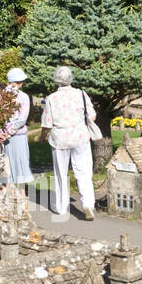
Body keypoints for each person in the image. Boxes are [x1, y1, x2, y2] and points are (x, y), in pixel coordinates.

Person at [40, 65, 96, 219]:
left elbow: (47, 123)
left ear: (56, 80)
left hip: (60, 138)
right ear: (71, 78)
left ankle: (61, 207)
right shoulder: (81, 94)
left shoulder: (51, 98)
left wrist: (42, 137)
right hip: (80, 137)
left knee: (60, 174)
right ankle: (88, 204)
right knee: (84, 172)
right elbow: (92, 116)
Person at [0, 68, 34, 186]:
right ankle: (21, 192)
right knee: (20, 164)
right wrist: (9, 133)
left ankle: (4, 190)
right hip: (18, 135)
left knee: (3, 163)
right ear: (19, 82)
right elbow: (22, 119)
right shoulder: (23, 97)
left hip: (1, 136)